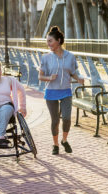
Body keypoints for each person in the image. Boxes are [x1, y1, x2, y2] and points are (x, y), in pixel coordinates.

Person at [38, 26, 84, 155]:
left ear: (58, 41)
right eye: (47, 41)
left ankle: (64, 140)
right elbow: (40, 77)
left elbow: (73, 72)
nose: (48, 44)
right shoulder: (46, 58)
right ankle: (55, 144)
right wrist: (49, 78)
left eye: (50, 41)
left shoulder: (70, 56)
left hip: (65, 91)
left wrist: (79, 78)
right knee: (55, 120)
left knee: (67, 118)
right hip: (51, 92)